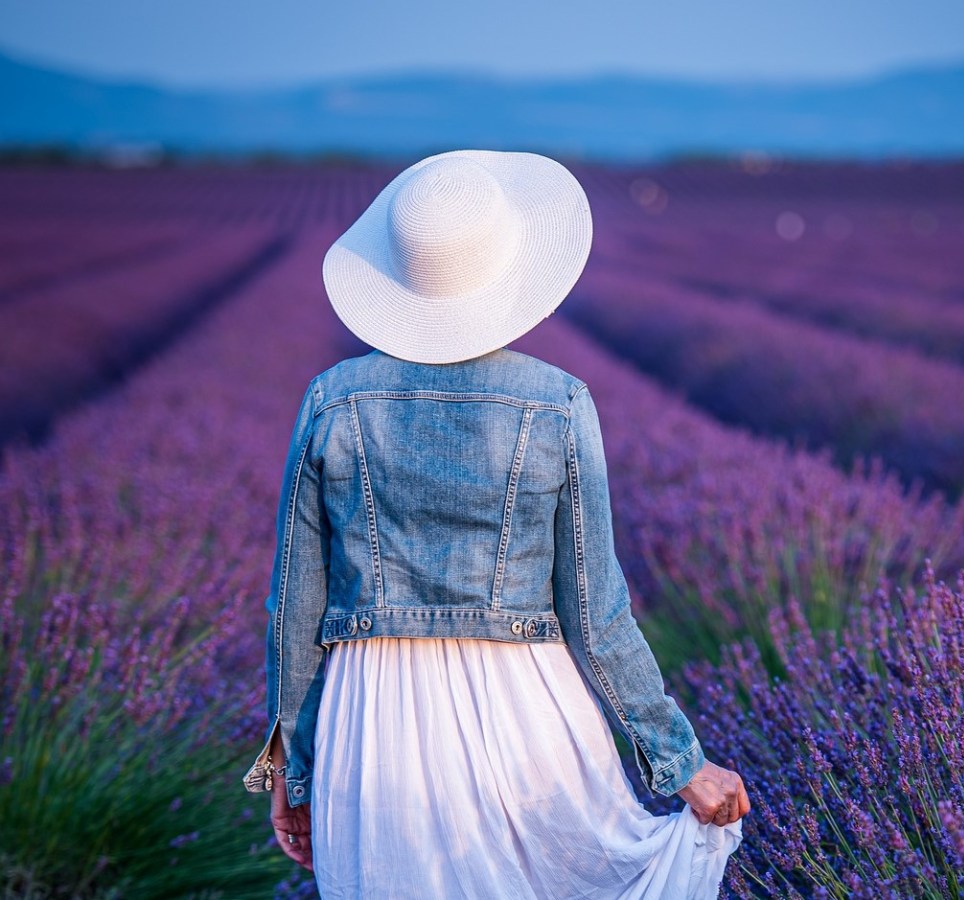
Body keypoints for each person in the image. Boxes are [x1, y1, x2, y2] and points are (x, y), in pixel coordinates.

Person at [242, 149, 748, 898]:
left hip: (372, 724)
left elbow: (294, 609)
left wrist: (295, 764)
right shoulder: (557, 403)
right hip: (525, 712)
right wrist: (681, 764)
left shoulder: (333, 399)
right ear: (512, 278)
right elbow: (597, 613)